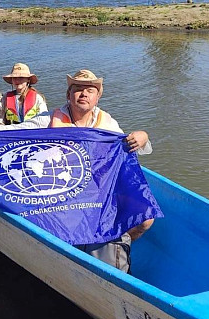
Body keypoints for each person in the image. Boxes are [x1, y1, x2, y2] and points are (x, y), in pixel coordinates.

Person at [49, 69, 153, 273]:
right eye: (77, 89)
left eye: (89, 90)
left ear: (97, 97)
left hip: (99, 188)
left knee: (146, 219)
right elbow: (13, 132)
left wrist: (143, 136)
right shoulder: (49, 119)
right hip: (63, 191)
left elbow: (128, 147)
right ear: (68, 95)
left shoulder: (107, 123)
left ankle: (115, 246)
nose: (83, 94)